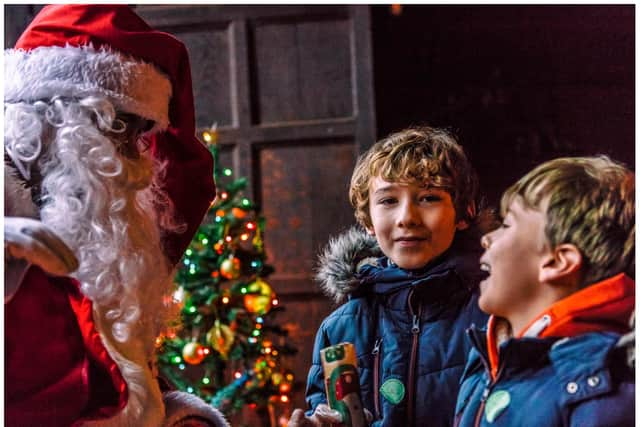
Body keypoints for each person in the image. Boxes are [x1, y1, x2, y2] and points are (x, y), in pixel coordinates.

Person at [4, 5, 229, 426]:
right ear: (60, 117)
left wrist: (176, 414)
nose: (134, 156)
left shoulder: (106, 218)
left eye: (138, 134)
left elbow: (114, 371)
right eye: (120, 130)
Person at [289, 127, 494, 427]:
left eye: (428, 198)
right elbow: (326, 408)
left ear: (464, 212)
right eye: (388, 201)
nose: (406, 217)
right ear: (368, 220)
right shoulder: (341, 327)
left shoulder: (492, 313)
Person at [453, 156, 634, 427]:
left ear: (558, 262)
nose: (487, 238)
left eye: (507, 224)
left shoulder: (602, 392)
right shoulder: (486, 359)